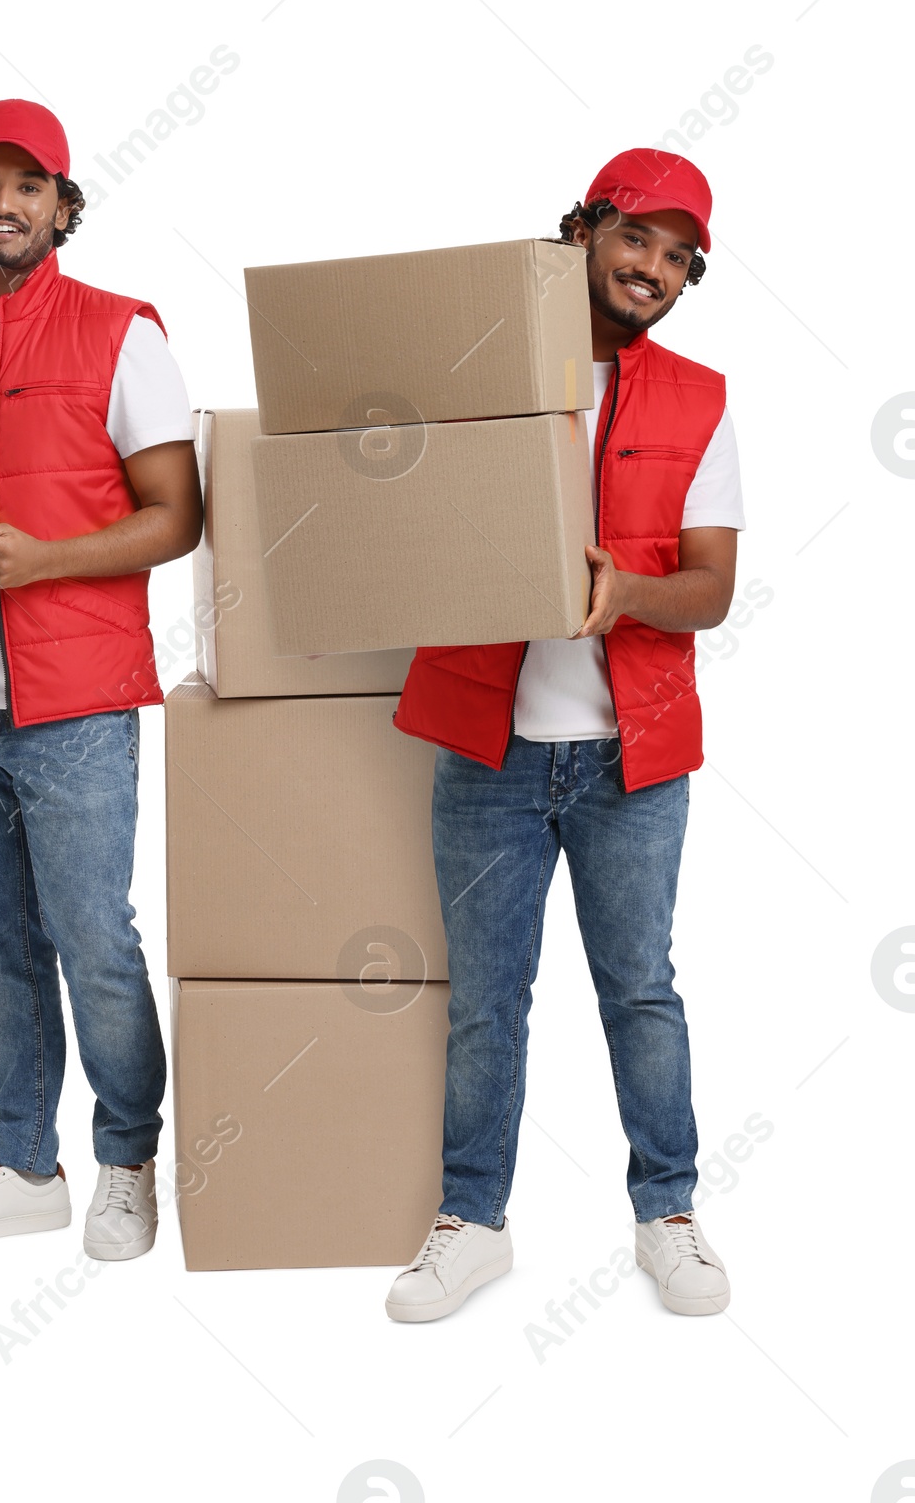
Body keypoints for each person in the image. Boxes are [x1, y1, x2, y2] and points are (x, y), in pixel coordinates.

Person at [387, 149, 744, 1321]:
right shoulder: (474, 364)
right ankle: (471, 1218)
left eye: (677, 256)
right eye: (634, 236)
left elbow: (710, 588)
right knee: (488, 994)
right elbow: (390, 506)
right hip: (487, 749)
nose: (651, 267)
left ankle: (668, 1213)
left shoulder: (697, 398)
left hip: (627, 760)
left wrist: (627, 591)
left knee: (640, 988)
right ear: (583, 232)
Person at [0, 100, 201, 1262]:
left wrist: (48, 558)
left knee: (91, 935)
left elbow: (179, 516)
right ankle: (22, 1159)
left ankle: (127, 1159)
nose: (3, 204)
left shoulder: (123, 335)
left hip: (76, 703)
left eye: (28, 186)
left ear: (63, 207)